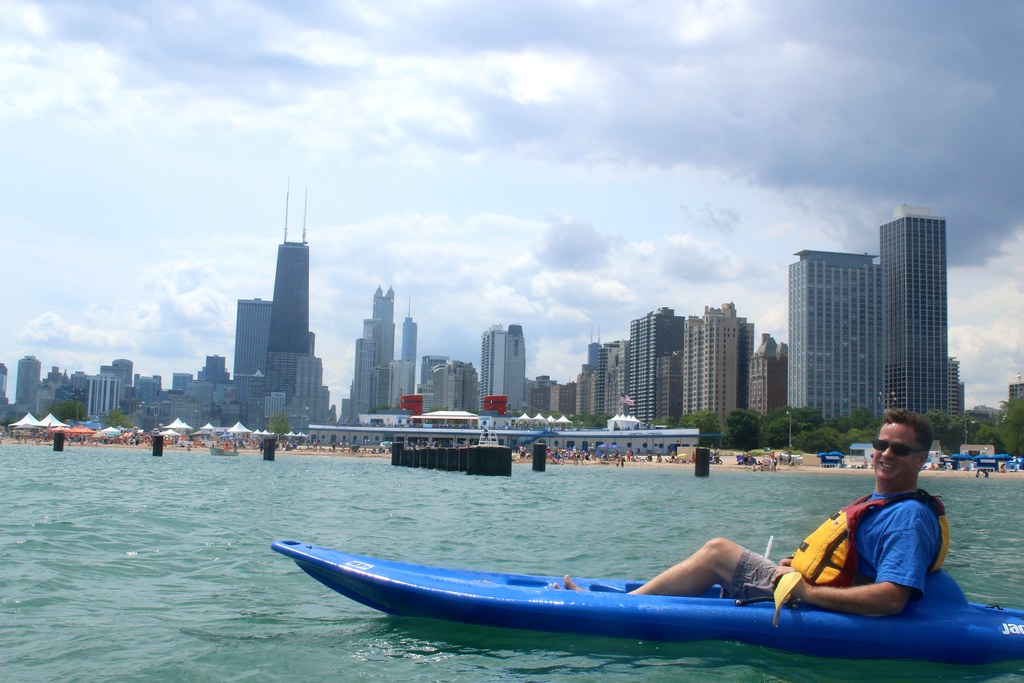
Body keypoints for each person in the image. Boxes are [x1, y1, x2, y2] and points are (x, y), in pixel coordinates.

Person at [555, 408, 948, 617]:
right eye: (882, 444)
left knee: (718, 552)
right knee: (721, 556)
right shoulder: (885, 505)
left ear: (922, 459)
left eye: (899, 449)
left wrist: (808, 590)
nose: (885, 454)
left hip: (810, 598)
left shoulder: (907, 518)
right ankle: (635, 600)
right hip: (803, 584)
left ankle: (622, 609)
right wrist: (801, 564)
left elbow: (893, 599)